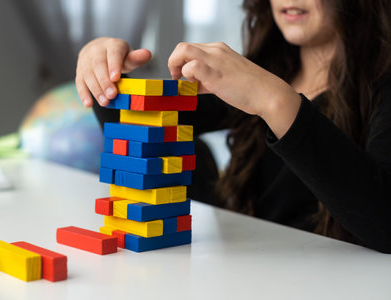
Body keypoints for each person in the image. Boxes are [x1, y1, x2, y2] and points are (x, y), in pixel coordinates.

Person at [75, 0, 391, 253]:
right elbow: (141, 137)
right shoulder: (262, 70)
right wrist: (104, 74)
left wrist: (274, 100)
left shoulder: (381, 88)